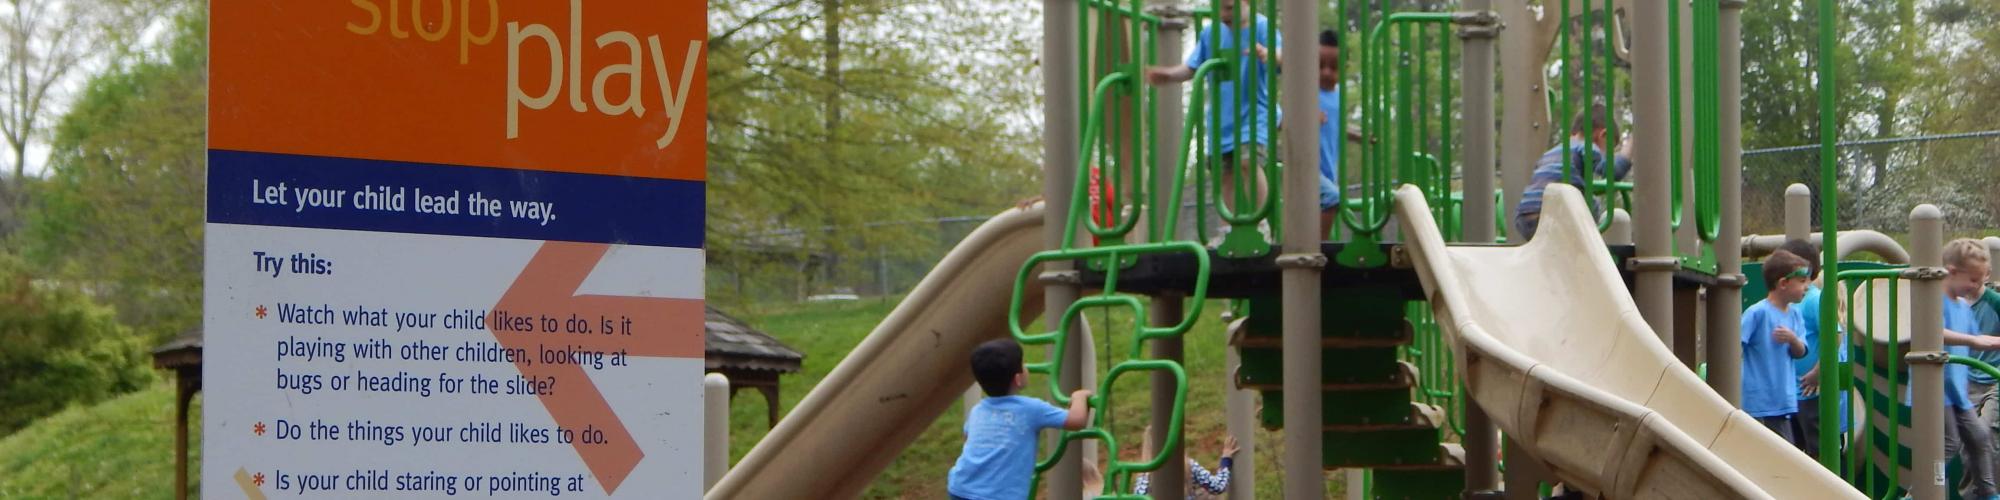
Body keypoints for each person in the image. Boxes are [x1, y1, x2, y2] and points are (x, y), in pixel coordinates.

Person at [1142, 0, 1281, 232]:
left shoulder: (1262, 27)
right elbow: (1192, 67)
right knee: (1225, 173)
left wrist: (1268, 54)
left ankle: (1260, 222)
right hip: (1221, 119)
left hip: (1254, 112)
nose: (1223, 14)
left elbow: (1281, 55)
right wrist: (1167, 75)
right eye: (1218, 8)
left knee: (1248, 161)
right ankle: (1228, 227)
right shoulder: (1211, 33)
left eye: (1229, 7)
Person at [947, 339, 1094, 500]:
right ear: (1018, 379)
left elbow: (968, 440)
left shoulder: (978, 410)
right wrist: (1079, 396)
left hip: (960, 488)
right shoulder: (1031, 409)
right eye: (1023, 363)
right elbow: (1077, 420)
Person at [1512, 104, 1634, 240]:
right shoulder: (1588, 147)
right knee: (1592, 203)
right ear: (1603, 135)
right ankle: (1589, 241)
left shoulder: (1553, 152)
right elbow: (1613, 172)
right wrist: (1630, 147)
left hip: (1524, 217)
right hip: (1551, 217)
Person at [1777, 239, 1848, 459]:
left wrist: (1818, 371)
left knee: (1820, 451)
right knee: (1795, 450)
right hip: (1792, 391)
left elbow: (1834, 335)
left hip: (1812, 391)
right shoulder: (1788, 300)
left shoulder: (1813, 299)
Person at [1940, 238, 2000, 500]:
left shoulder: (1972, 304)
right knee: (1955, 444)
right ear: (1952, 272)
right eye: (1973, 280)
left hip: (1974, 386)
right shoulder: (1940, 300)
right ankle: (1915, 493)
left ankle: (1989, 495)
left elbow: (1979, 339)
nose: (1978, 286)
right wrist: (1975, 340)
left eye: (1982, 280)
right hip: (1949, 387)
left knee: (1981, 436)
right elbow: (1930, 333)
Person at [1742, 250, 1811, 449]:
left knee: (1785, 450)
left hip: (1783, 398)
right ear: (1783, 283)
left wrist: (1792, 339)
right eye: (1801, 281)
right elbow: (1736, 344)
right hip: (1758, 401)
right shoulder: (1757, 313)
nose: (1806, 287)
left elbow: (1800, 352)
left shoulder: (1796, 315)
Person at [1130, 428, 1237, 499]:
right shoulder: (1187, 466)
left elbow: (1139, 496)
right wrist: (1226, 459)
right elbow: (1217, 486)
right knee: (1207, 495)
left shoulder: (1145, 477)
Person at [1316, 29, 1343, 240]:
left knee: (1331, 199)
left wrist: (1360, 136)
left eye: (1333, 67)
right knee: (1332, 197)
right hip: (1307, 169)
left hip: (1329, 169)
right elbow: (1282, 119)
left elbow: (1338, 126)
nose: (1326, 72)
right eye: (1319, 66)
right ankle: (1319, 243)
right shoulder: (1306, 92)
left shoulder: (1339, 95)